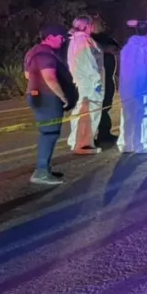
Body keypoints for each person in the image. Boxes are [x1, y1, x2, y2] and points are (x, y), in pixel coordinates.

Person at [24, 26, 76, 186]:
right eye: (60, 37)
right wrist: (63, 96)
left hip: (36, 95)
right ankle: (41, 171)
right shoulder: (45, 54)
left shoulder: (32, 52)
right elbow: (50, 78)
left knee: (47, 132)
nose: (63, 40)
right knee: (50, 134)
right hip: (48, 98)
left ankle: (44, 168)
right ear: (49, 37)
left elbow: (27, 75)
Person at [117, 19, 147, 154]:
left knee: (128, 115)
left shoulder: (126, 48)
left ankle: (126, 144)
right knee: (146, 115)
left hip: (127, 88)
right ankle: (142, 144)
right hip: (145, 89)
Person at [67, 15, 104, 154]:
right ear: (87, 26)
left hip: (81, 82)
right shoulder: (83, 40)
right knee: (90, 113)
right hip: (89, 83)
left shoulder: (74, 40)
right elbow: (89, 63)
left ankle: (78, 141)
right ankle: (84, 143)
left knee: (81, 112)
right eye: (91, 25)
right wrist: (97, 82)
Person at [92, 16, 120, 145]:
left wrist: (109, 49)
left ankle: (105, 133)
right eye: (95, 23)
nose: (98, 25)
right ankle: (93, 136)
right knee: (97, 108)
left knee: (106, 106)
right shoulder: (89, 39)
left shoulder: (105, 37)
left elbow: (116, 48)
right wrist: (104, 49)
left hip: (108, 78)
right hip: (97, 80)